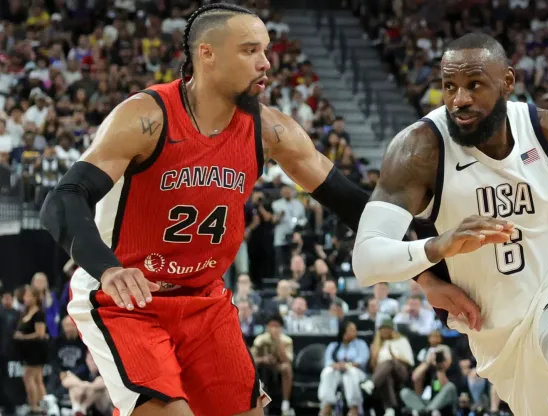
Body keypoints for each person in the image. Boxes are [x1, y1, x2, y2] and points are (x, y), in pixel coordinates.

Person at [39, 4, 478, 416]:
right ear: (206, 55)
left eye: (265, 50)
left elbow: (354, 204)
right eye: (250, 51)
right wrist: (110, 268)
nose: (266, 62)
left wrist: (425, 271)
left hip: (205, 299)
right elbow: (64, 199)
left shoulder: (271, 130)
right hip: (126, 301)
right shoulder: (145, 118)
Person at [352, 33, 548, 416]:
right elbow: (366, 261)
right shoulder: (418, 150)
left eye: (474, 85)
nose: (460, 99)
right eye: (449, 87)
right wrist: (439, 246)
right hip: (495, 328)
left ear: (507, 82)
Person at [318, 321, 370, 416]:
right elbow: (328, 361)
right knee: (327, 372)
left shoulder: (360, 344)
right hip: (337, 371)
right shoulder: (334, 345)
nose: (355, 332)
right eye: (351, 330)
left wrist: (348, 365)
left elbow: (362, 360)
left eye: (355, 330)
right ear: (344, 332)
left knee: (350, 373)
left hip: (357, 372)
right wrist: (336, 365)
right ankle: (327, 405)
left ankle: (354, 407)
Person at [13, 286, 48, 415]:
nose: (25, 298)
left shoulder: (39, 313)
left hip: (36, 351)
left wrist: (23, 337)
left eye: (28, 296)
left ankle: (34, 406)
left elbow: (40, 334)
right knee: (37, 379)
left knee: (29, 377)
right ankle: (43, 405)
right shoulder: (26, 312)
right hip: (27, 351)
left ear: (35, 298)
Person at [251, 315, 294, 415]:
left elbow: (288, 360)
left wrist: (279, 344)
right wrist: (263, 359)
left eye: (277, 326)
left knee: (287, 368)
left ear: (281, 328)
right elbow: (251, 360)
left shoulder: (287, 340)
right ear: (267, 327)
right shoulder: (260, 340)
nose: (274, 329)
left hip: (278, 366)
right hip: (263, 367)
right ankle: (259, 404)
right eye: (271, 325)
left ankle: (285, 403)